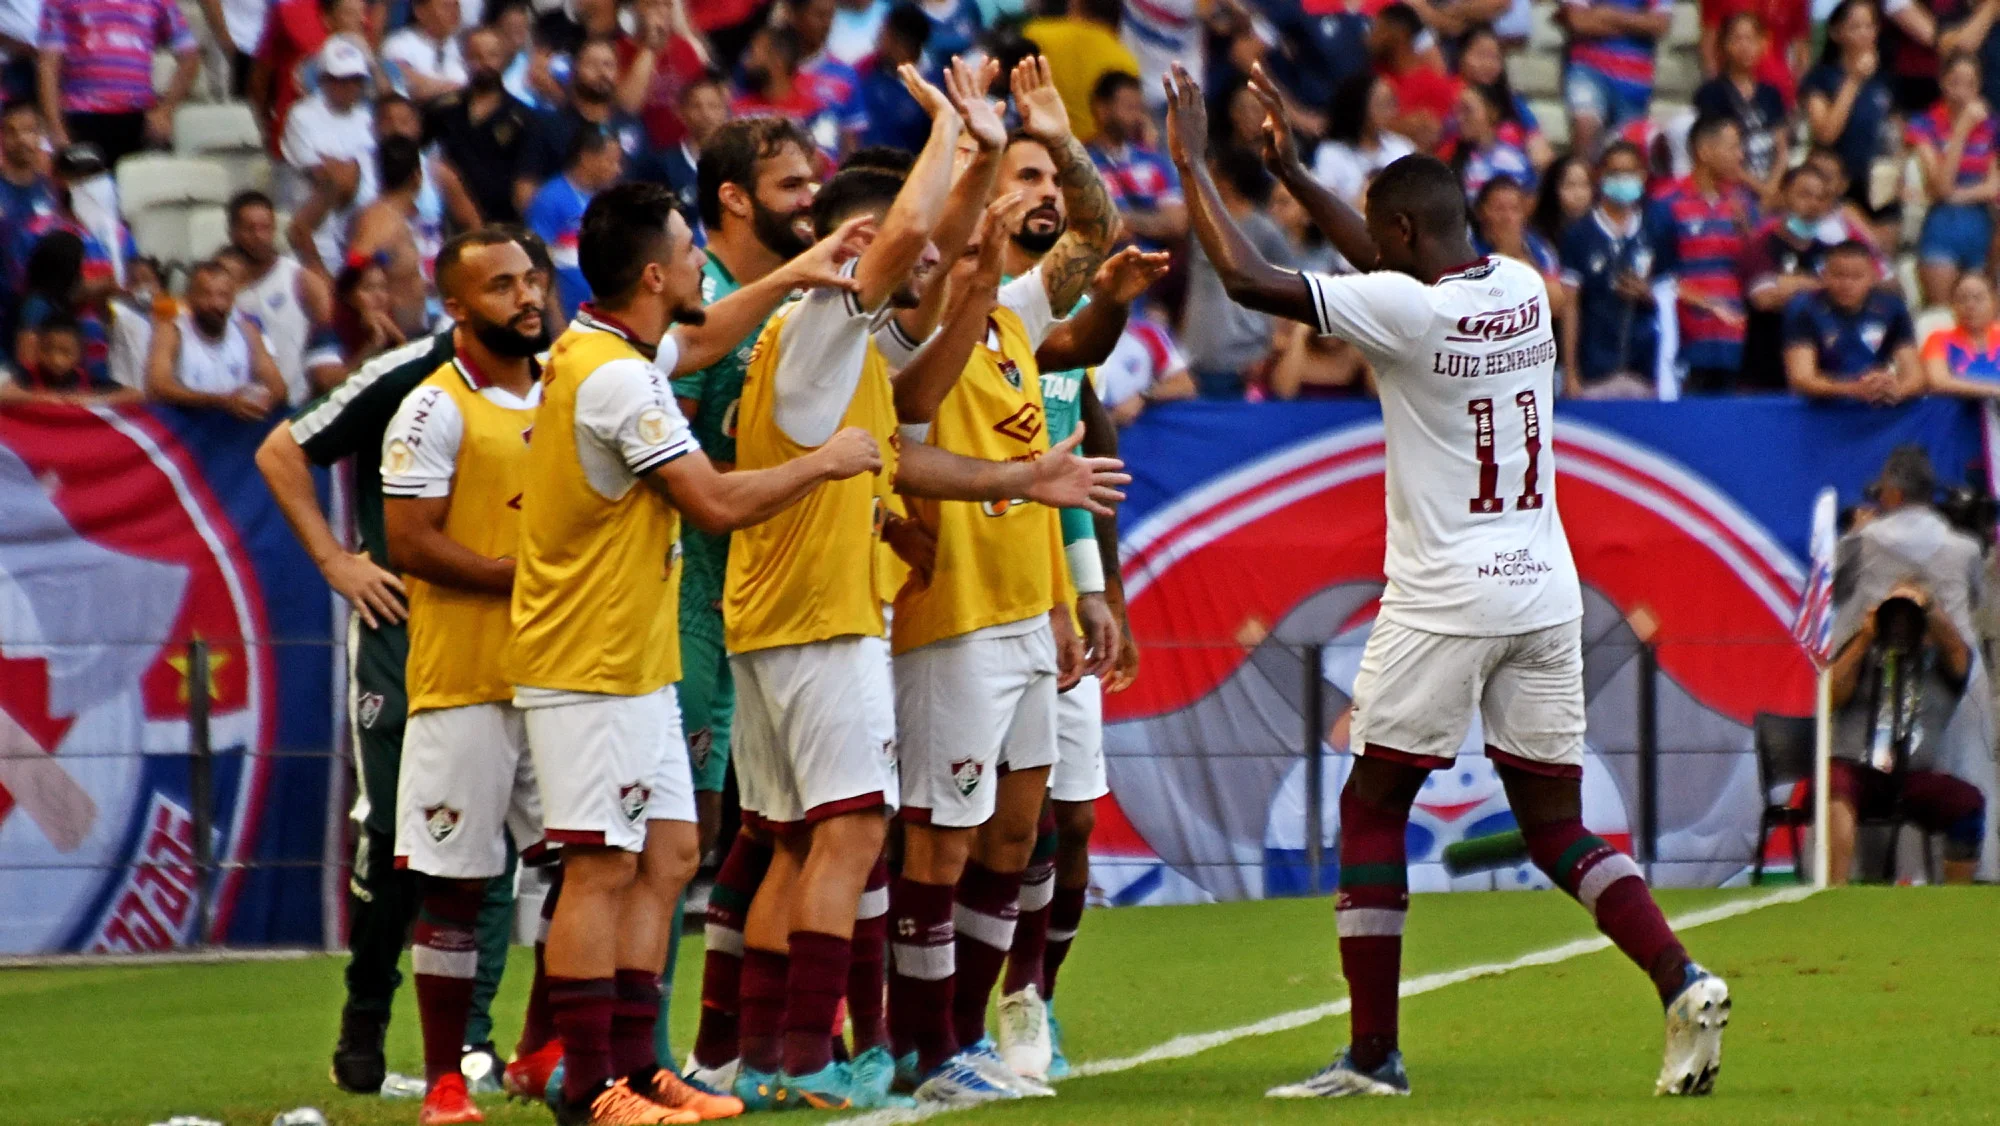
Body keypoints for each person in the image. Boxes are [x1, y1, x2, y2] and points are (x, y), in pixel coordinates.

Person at [1165, 58, 1729, 1100]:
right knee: (1556, 824)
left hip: (1444, 593)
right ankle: (1679, 975)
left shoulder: (1411, 313)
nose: (1373, 254)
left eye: (1383, 241)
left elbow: (1252, 280)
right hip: (1541, 587)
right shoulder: (1515, 280)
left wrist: (1197, 165)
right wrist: (1294, 174)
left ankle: (1372, 1053)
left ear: (1406, 246)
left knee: (1373, 803)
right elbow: (1380, 264)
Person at [720, 58, 1126, 1112]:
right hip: (883, 620)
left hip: (935, 612)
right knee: (868, 840)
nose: (1034, 203)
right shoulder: (834, 326)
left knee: (983, 832)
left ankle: (813, 1055)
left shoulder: (968, 321)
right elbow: (906, 421)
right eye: (1014, 187)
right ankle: (869, 1051)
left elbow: (1086, 236)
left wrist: (1032, 145)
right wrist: (966, 137)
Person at [510, 178, 880, 1126]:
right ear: (651, 273)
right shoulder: (616, 380)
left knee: (672, 852)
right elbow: (711, 502)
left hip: (635, 657)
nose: (699, 262)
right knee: (599, 866)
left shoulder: (617, 345)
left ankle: (640, 1067)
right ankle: (591, 1087)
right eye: (687, 248)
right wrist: (825, 462)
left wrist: (797, 271)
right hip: (583, 659)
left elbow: (706, 337)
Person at [376, 228, 555, 1126]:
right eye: (500, 288)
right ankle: (447, 1080)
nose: (526, 298)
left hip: (563, 676)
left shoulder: (570, 385)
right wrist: (528, 577)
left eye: (530, 280)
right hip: (465, 681)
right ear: (456, 306)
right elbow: (410, 543)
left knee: (585, 863)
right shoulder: (431, 408)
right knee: (458, 882)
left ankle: (540, 1049)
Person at [665, 112, 825, 1092]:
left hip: (751, 605)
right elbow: (673, 368)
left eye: (815, 185)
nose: (808, 201)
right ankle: (584, 1052)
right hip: (682, 598)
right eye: (790, 186)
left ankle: (718, 1048)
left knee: (728, 832)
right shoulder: (710, 293)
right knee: (658, 843)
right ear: (732, 197)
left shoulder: (776, 302)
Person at [1824, 447, 1987, 886]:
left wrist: (1928, 610)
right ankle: (1834, 893)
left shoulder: (1862, 543)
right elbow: (1832, 695)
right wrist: (1867, 634)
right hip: (1862, 759)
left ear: (1891, 492)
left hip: (1919, 753)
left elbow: (1959, 653)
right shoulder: (1965, 549)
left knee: (1966, 797)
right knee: (1835, 782)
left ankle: (1956, 902)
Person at [1650, 114, 1758, 394]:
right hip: (1688, 341)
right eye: (1733, 147)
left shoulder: (1743, 205)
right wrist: (1706, 304)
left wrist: (1746, 229)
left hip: (1738, 342)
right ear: (1705, 151)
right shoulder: (1666, 203)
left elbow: (1755, 271)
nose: (1740, 155)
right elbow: (1659, 277)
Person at [1179, 145, 1292, 398]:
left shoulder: (1265, 231)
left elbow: (1289, 294)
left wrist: (1270, 352)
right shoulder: (1200, 227)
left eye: (1211, 175)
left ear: (1225, 182)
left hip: (1242, 363)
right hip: (1194, 357)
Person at [36, 0, 199, 163]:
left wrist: (165, 111)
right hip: (81, 117)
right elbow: (48, 66)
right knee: (89, 186)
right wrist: (55, 127)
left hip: (137, 119)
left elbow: (190, 56)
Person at [1559, 142, 1658, 398]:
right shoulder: (1580, 234)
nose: (1623, 180)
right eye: (1615, 173)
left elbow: (1671, 293)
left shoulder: (1654, 229)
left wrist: (1647, 294)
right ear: (1600, 176)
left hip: (1643, 371)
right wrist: (1571, 373)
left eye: (1630, 172)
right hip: (1595, 371)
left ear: (1643, 175)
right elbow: (1571, 306)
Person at [517, 37, 653, 216]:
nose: (601, 72)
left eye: (608, 65)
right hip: (566, 231)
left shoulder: (631, 125)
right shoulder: (549, 125)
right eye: (592, 64)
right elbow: (525, 186)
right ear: (574, 71)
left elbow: (648, 185)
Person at [228, 190, 339, 405]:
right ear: (233, 231)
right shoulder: (221, 288)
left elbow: (326, 347)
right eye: (250, 229)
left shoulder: (300, 279)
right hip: (245, 406)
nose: (259, 236)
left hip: (297, 403)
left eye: (265, 228)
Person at [424, 22, 541, 225]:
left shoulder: (523, 117)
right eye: (477, 56)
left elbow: (527, 179)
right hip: (449, 219)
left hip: (503, 222)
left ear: (503, 59)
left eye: (492, 55)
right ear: (465, 58)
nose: (485, 63)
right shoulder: (444, 109)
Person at [281, 37, 380, 274]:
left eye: (355, 80)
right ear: (324, 80)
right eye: (339, 80)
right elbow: (324, 177)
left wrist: (343, 170)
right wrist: (354, 170)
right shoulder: (302, 115)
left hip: (361, 225)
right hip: (316, 227)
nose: (348, 87)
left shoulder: (367, 118)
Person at [1908, 53, 1999, 308]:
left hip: (1981, 224)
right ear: (1943, 82)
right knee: (1941, 313)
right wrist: (1961, 129)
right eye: (1955, 82)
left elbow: (1993, 186)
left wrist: (1953, 194)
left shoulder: (1991, 126)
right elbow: (1940, 185)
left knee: (1983, 314)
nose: (1962, 91)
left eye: (1970, 83)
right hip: (1942, 223)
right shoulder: (1923, 123)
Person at [1801, 1, 1897, 243]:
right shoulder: (1821, 78)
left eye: (1869, 26)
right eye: (1855, 27)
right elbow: (1825, 133)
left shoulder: (1884, 79)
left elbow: (1895, 130)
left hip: (1878, 181)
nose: (1865, 33)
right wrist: (1853, 80)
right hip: (1836, 182)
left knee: (1883, 250)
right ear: (1836, 32)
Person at [144, 259, 288, 419]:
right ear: (190, 298)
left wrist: (260, 404)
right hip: (190, 426)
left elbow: (278, 387)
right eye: (206, 294)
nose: (215, 303)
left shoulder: (247, 330)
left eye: (222, 295)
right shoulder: (171, 331)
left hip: (237, 424)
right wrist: (221, 402)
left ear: (232, 299)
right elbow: (157, 387)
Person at [1782, 240, 1921, 404]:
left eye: (1856, 276)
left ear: (1873, 277)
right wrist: (1854, 389)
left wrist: (1896, 391)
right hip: (1820, 410)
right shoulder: (1804, 309)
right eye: (1838, 275)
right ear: (1824, 274)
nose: (1847, 284)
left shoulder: (1892, 308)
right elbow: (1801, 379)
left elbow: (1915, 376)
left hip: (1875, 405)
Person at [1692, 14, 1790, 204]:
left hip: (1771, 183)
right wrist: (1763, 190)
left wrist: (1772, 187)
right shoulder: (1711, 93)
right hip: (1731, 186)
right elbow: (1716, 150)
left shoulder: (1771, 93)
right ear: (1723, 45)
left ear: (1763, 44)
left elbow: (1782, 147)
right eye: (1737, 39)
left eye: (1752, 39)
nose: (1745, 46)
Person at [527, 125, 623, 320]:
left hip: (604, 316)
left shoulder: (610, 199)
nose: (617, 169)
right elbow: (540, 262)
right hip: (568, 316)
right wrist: (556, 320)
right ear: (587, 158)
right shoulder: (550, 198)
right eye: (611, 161)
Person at [346, 137, 438, 340]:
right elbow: (352, 272)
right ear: (418, 176)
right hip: (395, 338)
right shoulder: (379, 221)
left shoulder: (401, 217)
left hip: (418, 332)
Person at [1557, 0, 1672, 158]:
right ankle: (1581, 178)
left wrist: (1607, 15)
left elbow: (1660, 24)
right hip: (1587, 68)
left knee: (1626, 152)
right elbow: (1579, 22)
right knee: (1585, 128)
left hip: (1635, 82)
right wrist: (1638, 24)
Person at [1087, 70, 1186, 249]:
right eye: (1129, 108)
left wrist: (1127, 220)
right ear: (1102, 109)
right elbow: (1092, 229)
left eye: (1139, 108)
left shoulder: (1156, 162)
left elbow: (1178, 224)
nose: (1136, 117)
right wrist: (1155, 222)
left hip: (1155, 269)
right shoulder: (1081, 162)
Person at [1020, 0, 1140, 145]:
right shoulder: (1126, 59)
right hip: (1091, 159)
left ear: (1076, 3)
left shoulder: (1036, 35)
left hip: (1041, 146)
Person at [12, 228, 108, 386]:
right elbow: (27, 358)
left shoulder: (60, 297)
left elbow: (95, 288)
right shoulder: (37, 305)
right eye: (79, 263)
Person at [1454, 24, 1553, 171]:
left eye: (1494, 57)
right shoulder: (1451, 95)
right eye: (1480, 55)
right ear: (1461, 56)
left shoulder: (1513, 102)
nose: (1487, 64)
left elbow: (1540, 152)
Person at [1313, 74, 1416, 211]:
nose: (1390, 111)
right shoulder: (1331, 153)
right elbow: (1326, 207)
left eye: (1391, 103)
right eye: (1381, 104)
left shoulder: (1401, 148)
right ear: (1360, 106)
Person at [1369, 4, 1456, 152]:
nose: (1371, 36)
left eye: (1379, 28)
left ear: (1398, 33)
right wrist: (1400, 126)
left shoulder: (1435, 86)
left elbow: (1432, 137)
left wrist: (1387, 126)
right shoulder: (1370, 77)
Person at [0, 311, 136, 402]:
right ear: (38, 348)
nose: (56, 359)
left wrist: (92, 400)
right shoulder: (28, 377)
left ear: (80, 352)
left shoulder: (88, 380)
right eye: (47, 350)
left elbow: (134, 394)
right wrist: (39, 398)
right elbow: (3, 394)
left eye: (66, 352)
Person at [854, 2, 932, 153]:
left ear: (902, 43)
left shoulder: (936, 86)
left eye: (884, 34)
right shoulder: (866, 72)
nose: (877, 39)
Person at [1097, 313, 1193, 418]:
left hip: (1141, 425)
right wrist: (1112, 418)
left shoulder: (1148, 333)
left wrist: (1143, 397)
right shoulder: (1081, 342)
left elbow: (1185, 384)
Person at [1450, 85, 1537, 201]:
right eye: (1457, 111)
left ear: (1492, 113)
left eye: (1467, 110)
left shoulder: (1515, 160)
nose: (1460, 118)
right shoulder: (1453, 160)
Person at [1923, 271, 2000, 395]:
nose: (1970, 305)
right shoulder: (1939, 339)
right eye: (1962, 299)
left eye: (1978, 298)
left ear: (1995, 303)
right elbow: (1939, 381)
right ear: (1952, 306)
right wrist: (1994, 390)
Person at [383, 0, 468, 102]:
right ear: (420, 11)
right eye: (445, 6)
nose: (454, 12)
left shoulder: (463, 46)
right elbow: (413, 87)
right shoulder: (397, 45)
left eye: (456, 6)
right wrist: (462, 90)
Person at [1532, 153, 1595, 245]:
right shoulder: (1537, 239)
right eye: (1569, 185)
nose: (1579, 194)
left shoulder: (1596, 233)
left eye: (1585, 185)